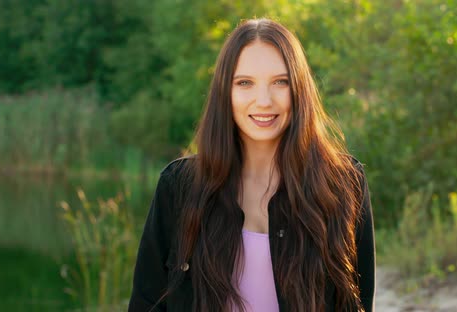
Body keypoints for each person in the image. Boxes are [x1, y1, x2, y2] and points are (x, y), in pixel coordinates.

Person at [128, 18, 375, 312]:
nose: (263, 101)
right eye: (245, 83)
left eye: (280, 82)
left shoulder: (343, 184)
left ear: (299, 90)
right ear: (225, 92)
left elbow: (358, 303)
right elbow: (146, 303)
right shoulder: (180, 186)